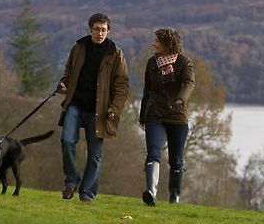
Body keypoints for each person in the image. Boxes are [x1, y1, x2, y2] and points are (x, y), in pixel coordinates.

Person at [57, 13, 129, 202]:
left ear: (108, 31)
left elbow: (122, 85)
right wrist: (64, 83)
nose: (100, 33)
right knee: (66, 141)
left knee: (94, 155)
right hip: (75, 105)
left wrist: (115, 108)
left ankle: (87, 193)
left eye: (104, 30)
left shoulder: (115, 53)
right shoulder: (79, 47)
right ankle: (71, 182)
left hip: (100, 111)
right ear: (90, 29)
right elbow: (69, 70)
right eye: (97, 29)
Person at [139, 28, 195, 206]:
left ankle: (174, 195)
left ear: (166, 43)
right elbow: (147, 91)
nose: (153, 43)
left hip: (178, 117)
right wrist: (142, 116)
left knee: (176, 160)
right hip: (155, 115)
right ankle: (151, 192)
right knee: (153, 153)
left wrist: (181, 98)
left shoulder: (184, 62)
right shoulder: (151, 63)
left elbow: (189, 83)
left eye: (156, 41)